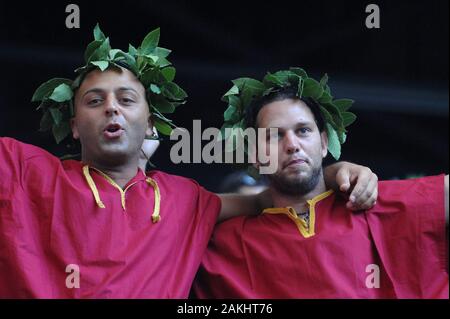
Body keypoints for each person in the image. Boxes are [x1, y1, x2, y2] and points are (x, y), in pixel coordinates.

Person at [0, 27, 377, 298]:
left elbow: (272, 198)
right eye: (94, 101)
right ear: (75, 127)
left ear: (150, 123)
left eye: (127, 99)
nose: (111, 106)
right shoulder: (25, 170)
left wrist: (333, 172)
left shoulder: (185, 199)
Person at [193, 68, 449, 299]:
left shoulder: (373, 200)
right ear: (255, 157)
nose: (292, 144)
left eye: (303, 130)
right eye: (274, 135)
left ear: (324, 142)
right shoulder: (223, 243)